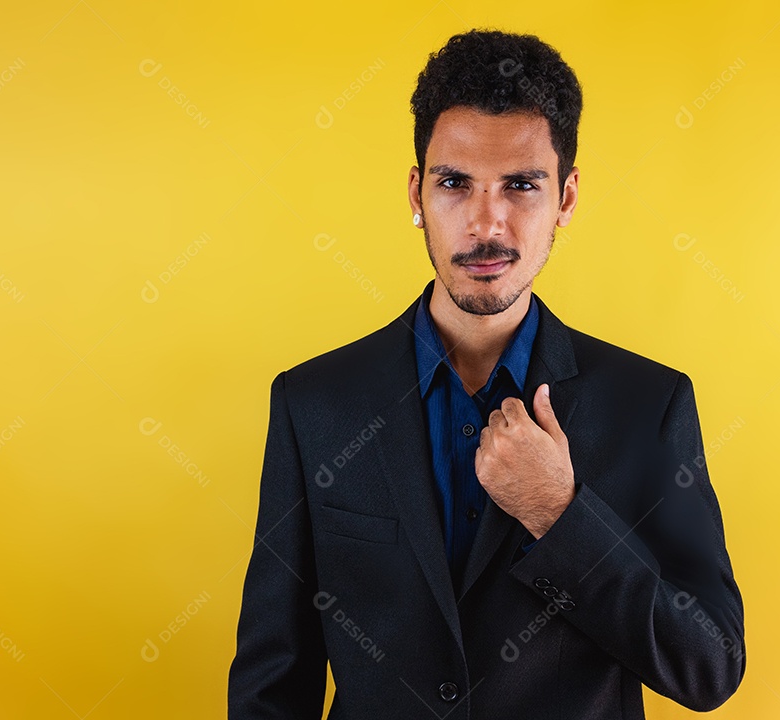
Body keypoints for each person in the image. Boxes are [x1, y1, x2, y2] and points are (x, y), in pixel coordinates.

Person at [228, 28, 745, 720]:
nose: (485, 223)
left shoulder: (648, 405)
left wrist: (559, 515)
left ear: (565, 198)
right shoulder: (314, 404)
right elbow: (272, 684)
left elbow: (708, 664)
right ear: (417, 194)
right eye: (454, 183)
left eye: (522, 185)